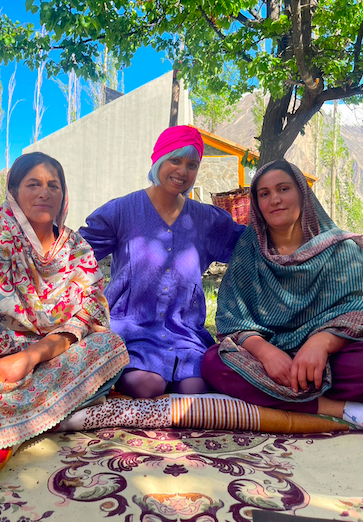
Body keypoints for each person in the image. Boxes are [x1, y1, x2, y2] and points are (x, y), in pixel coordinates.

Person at [0, 152, 128, 451]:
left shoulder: (76, 248)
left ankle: (7, 418)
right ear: (14, 194)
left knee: (110, 347)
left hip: (47, 361)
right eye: (33, 184)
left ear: (64, 195)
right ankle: (54, 414)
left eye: (53, 185)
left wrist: (30, 357)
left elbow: (91, 314)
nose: (44, 192)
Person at [201, 159, 363, 433]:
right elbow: (233, 319)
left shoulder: (342, 249)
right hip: (271, 362)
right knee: (214, 363)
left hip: (329, 358)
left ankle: (286, 396)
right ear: (257, 204)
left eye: (284, 189)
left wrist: (321, 343)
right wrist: (267, 352)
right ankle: (340, 409)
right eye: (265, 193)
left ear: (302, 193)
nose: (275, 200)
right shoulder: (250, 250)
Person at [80, 125, 245, 399]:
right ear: (158, 159)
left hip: (183, 333)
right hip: (130, 330)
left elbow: (249, 247)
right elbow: (75, 254)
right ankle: (118, 372)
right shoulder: (122, 211)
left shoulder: (206, 220)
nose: (183, 171)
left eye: (192, 164)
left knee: (196, 389)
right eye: (175, 160)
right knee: (149, 385)